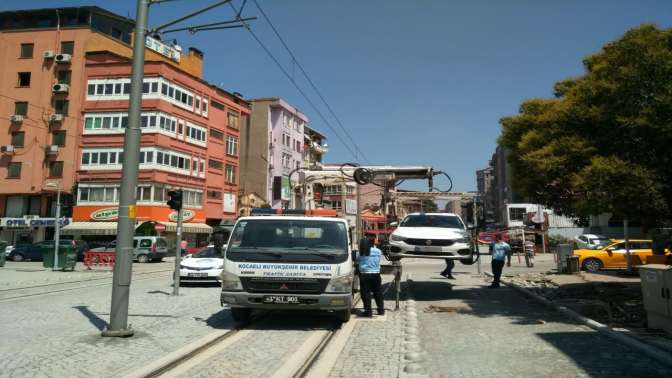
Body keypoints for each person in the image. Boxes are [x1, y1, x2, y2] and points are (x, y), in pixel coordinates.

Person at [358, 236, 385, 316]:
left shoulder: (360, 252)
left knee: (366, 293)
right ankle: (381, 310)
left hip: (364, 275)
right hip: (376, 274)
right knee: (378, 292)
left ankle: (368, 311)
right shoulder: (378, 251)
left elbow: (356, 259)